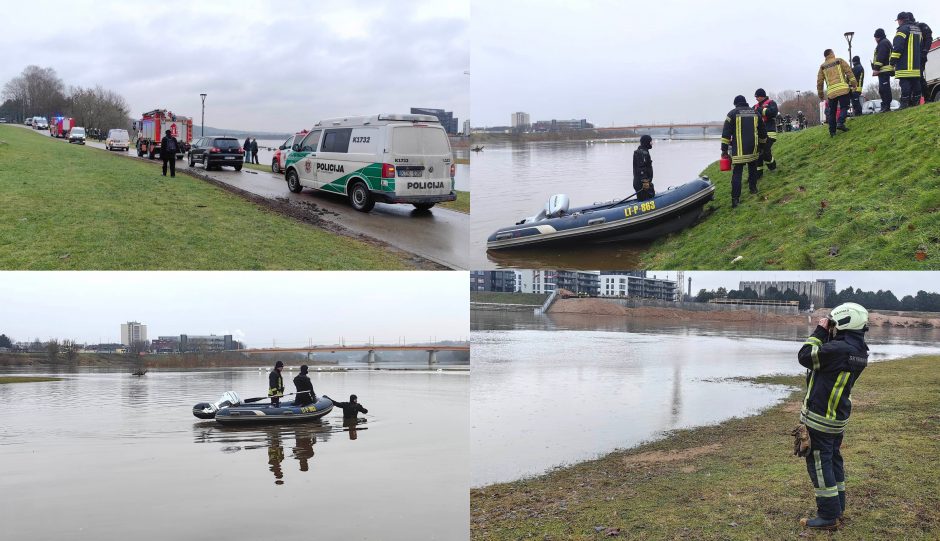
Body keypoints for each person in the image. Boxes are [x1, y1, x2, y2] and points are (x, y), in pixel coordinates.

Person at [794, 303, 869, 531]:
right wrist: (830, 335)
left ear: (844, 322)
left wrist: (819, 331)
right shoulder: (858, 350)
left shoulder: (837, 350)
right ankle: (838, 507)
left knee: (819, 464)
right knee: (833, 460)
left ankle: (828, 516)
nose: (832, 327)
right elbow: (828, 362)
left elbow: (805, 356)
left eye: (835, 323)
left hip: (820, 419)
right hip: (836, 418)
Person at [720, 95, 767, 209]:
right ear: (745, 102)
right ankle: (753, 189)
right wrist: (762, 146)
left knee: (737, 173)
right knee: (752, 169)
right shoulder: (756, 113)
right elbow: (762, 132)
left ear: (736, 104)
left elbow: (726, 135)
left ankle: (735, 200)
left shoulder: (731, 114)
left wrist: (724, 150)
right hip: (753, 149)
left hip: (739, 151)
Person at [817, 48, 857, 136]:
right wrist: (854, 84)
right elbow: (849, 72)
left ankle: (832, 132)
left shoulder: (822, 67)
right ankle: (840, 122)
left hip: (831, 93)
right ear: (832, 53)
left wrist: (821, 95)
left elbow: (819, 82)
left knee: (832, 112)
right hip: (843, 89)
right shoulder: (839, 61)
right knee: (844, 107)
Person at [890, 12, 923, 108]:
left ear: (900, 20)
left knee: (905, 84)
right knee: (916, 83)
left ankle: (904, 104)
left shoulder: (902, 29)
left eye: (898, 21)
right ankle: (916, 102)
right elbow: (920, 44)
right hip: (916, 64)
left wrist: (893, 60)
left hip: (905, 64)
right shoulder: (917, 29)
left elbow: (898, 47)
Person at [753, 88, 778, 173]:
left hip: (769, 132)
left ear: (762, 96)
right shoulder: (755, 106)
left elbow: (773, 112)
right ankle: (758, 173)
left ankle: (773, 167)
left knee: (765, 152)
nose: (756, 98)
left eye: (757, 96)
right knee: (758, 153)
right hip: (759, 134)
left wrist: (761, 110)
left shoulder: (771, 103)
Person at [910, 13, 932, 105]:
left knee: (919, 77)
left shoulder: (921, 26)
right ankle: (913, 101)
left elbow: (928, 38)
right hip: (911, 59)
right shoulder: (908, 29)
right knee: (913, 78)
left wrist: (925, 51)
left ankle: (927, 98)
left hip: (920, 57)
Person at [871, 28, 895, 112]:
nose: (875, 39)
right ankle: (885, 105)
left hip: (884, 70)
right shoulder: (885, 42)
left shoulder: (883, 43)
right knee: (883, 88)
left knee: (884, 88)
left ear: (878, 37)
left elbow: (881, 57)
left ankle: (886, 106)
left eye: (875, 37)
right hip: (884, 70)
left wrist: (876, 69)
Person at [632, 134, 655, 201]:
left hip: (639, 182)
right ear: (646, 142)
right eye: (650, 141)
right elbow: (641, 169)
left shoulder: (641, 151)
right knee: (646, 201)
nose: (652, 143)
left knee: (642, 199)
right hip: (642, 184)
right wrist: (645, 182)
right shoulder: (642, 154)